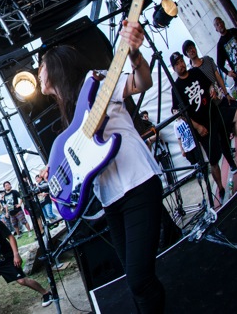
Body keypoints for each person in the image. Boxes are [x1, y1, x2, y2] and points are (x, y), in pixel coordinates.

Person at [38, 19, 164, 313]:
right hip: (111, 198)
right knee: (134, 279)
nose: (37, 73)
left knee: (140, 279)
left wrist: (134, 54)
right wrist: (57, 170)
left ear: (56, 66)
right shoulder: (71, 114)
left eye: (40, 66)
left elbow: (142, 82)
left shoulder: (96, 82)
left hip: (137, 183)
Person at [170, 51, 237, 201]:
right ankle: (221, 188)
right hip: (202, 127)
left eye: (181, 61)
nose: (181, 65)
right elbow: (178, 112)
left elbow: (210, 84)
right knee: (213, 160)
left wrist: (212, 90)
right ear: (174, 68)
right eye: (177, 63)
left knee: (236, 114)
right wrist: (197, 127)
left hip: (214, 114)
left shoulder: (196, 72)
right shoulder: (176, 88)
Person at [182, 39, 233, 104]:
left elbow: (218, 76)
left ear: (195, 47)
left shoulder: (207, 59)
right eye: (188, 50)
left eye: (192, 47)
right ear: (186, 55)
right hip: (210, 103)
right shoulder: (191, 73)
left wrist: (226, 94)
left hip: (222, 95)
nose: (191, 50)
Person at [214, 16, 237, 99]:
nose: (220, 25)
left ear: (223, 22)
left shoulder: (233, 32)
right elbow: (219, 64)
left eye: (220, 22)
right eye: (217, 24)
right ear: (216, 29)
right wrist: (228, 72)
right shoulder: (220, 45)